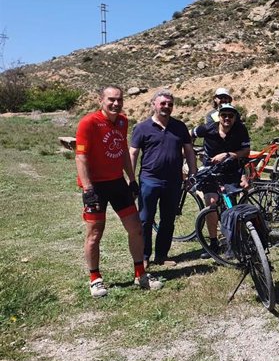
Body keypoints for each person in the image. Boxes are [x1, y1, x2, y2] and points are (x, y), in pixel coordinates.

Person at [75, 85, 162, 297]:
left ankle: (140, 273)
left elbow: (123, 150)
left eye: (119, 100)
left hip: (117, 183)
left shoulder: (123, 121)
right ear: (101, 100)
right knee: (95, 233)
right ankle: (95, 278)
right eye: (111, 99)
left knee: (136, 228)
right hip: (96, 186)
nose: (115, 103)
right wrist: (88, 189)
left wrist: (131, 179)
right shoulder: (89, 123)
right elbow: (81, 156)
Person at [129, 89, 197, 268]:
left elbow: (189, 151)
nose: (166, 107)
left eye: (170, 104)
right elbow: (133, 153)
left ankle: (161, 255)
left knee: (168, 219)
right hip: (149, 180)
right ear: (153, 105)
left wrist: (192, 173)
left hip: (173, 181)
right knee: (145, 220)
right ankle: (144, 257)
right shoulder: (142, 128)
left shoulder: (179, 127)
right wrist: (130, 179)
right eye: (163, 103)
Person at [192, 103, 250, 257]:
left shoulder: (240, 129)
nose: (227, 118)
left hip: (231, 171)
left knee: (232, 207)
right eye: (224, 115)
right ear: (219, 116)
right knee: (211, 203)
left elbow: (246, 151)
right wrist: (188, 152)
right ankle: (213, 242)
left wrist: (228, 154)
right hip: (210, 171)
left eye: (231, 116)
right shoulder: (208, 128)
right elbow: (189, 135)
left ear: (235, 118)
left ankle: (235, 242)